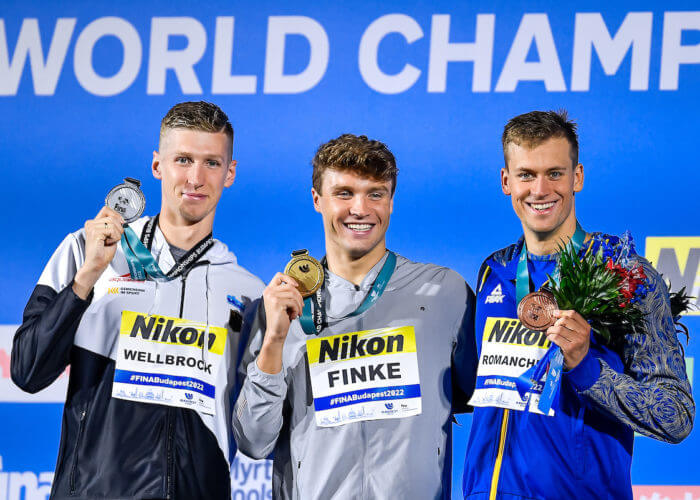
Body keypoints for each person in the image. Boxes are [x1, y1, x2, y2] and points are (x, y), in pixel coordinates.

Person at [11, 101, 264, 499]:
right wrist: (87, 278)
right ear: (157, 166)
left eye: (211, 163)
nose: (196, 178)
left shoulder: (248, 293)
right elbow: (27, 371)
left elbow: (256, 431)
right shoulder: (86, 249)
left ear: (229, 173)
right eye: (182, 159)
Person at [461, 110, 695, 499]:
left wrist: (588, 369)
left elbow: (675, 415)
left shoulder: (624, 273)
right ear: (506, 181)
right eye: (526, 175)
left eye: (554, 173)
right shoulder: (494, 270)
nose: (540, 189)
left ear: (577, 177)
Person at [232, 133, 477, 499]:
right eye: (344, 193)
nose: (360, 209)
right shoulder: (280, 305)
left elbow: (479, 397)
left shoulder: (446, 292)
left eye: (375, 193)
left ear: (391, 201)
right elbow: (253, 441)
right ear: (317, 199)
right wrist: (274, 341)